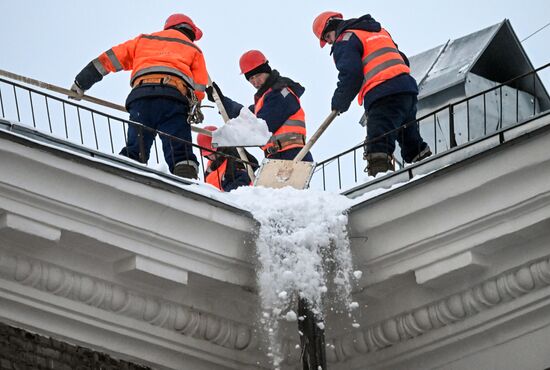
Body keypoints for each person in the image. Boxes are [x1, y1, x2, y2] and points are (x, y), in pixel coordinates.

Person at [70, 13, 208, 179]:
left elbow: (108, 59)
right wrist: (194, 106)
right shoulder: (193, 49)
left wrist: (82, 82)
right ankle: (186, 178)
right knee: (180, 150)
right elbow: (199, 88)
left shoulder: (144, 40)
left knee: (137, 146)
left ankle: (125, 174)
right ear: (190, 32)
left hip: (142, 98)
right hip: (173, 100)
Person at [312, 11, 432, 176]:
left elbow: (351, 74)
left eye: (327, 37)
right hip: (407, 90)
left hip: (383, 94)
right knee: (410, 140)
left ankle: (381, 184)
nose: (330, 42)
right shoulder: (378, 31)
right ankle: (428, 168)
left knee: (378, 144)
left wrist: (339, 101)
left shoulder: (344, 40)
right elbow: (402, 58)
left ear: (332, 27)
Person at [207, 50, 313, 162]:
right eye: (251, 79)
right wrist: (222, 101)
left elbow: (261, 127)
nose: (256, 82)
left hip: (292, 155)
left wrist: (220, 139)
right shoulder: (265, 100)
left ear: (267, 71)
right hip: (277, 157)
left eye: (258, 76)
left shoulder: (282, 93)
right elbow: (245, 114)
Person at [197, 126, 258, 191]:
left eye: (212, 153)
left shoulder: (233, 154)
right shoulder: (211, 165)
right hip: (214, 196)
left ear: (220, 147)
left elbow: (252, 164)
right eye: (208, 155)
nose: (211, 156)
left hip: (233, 195)